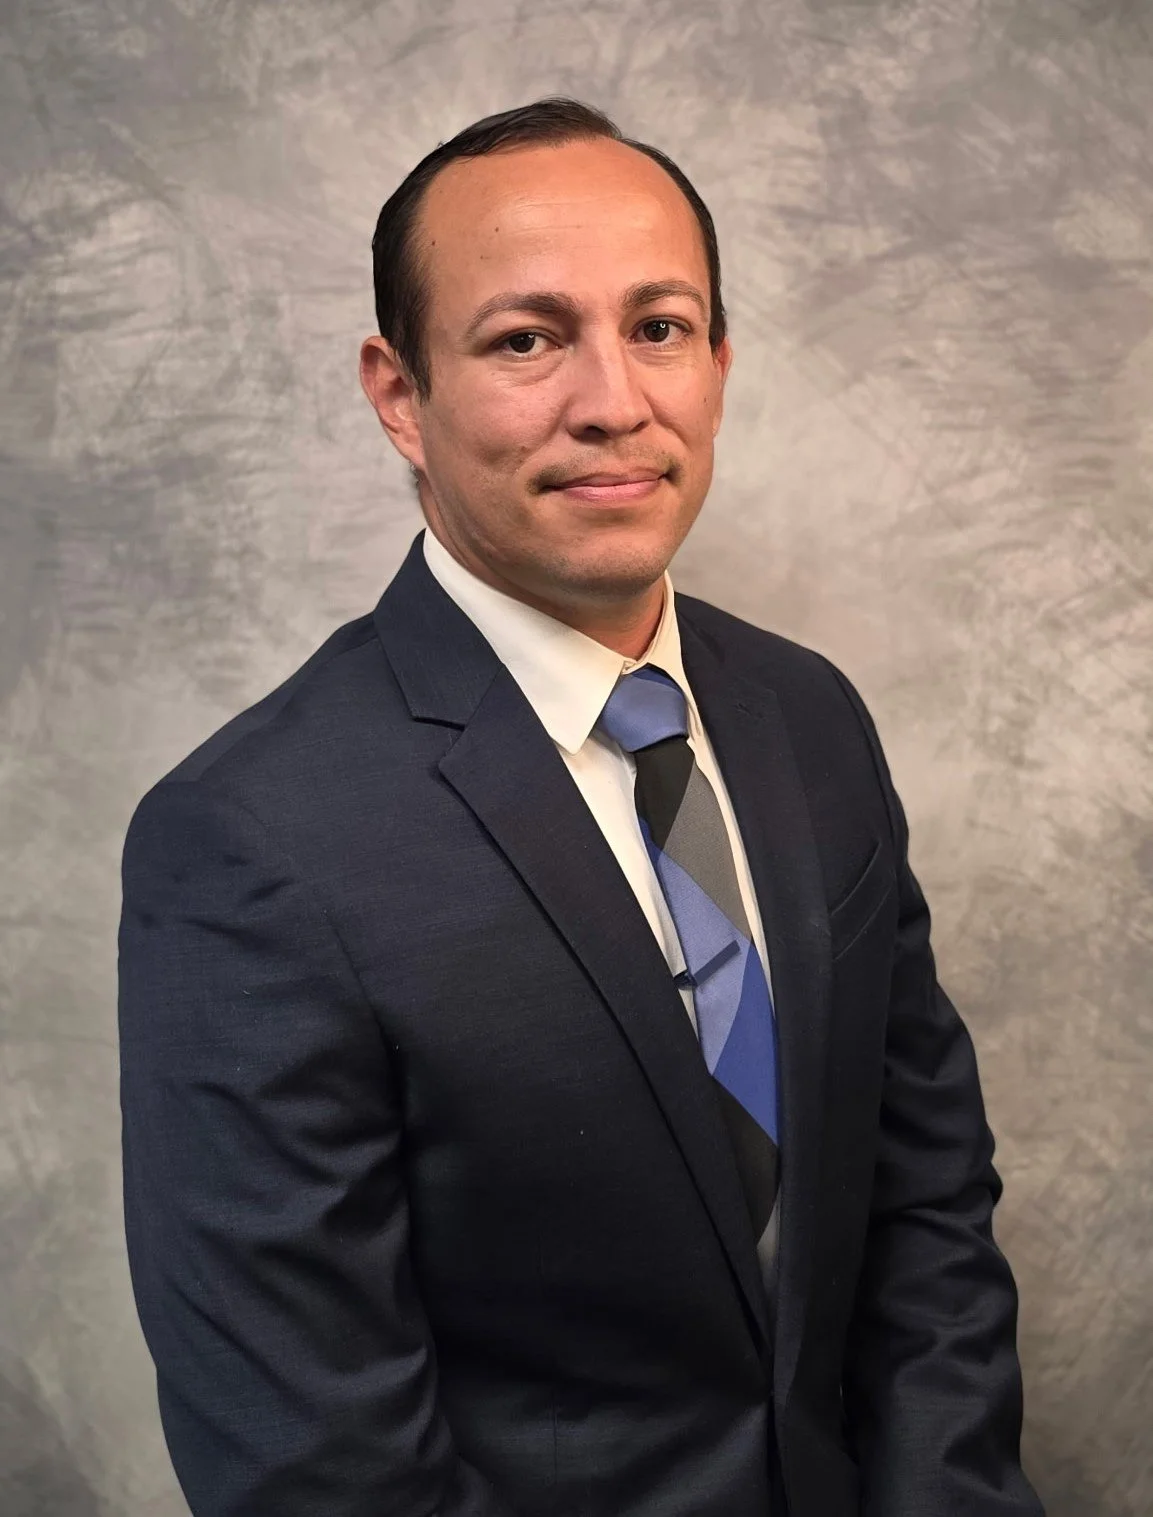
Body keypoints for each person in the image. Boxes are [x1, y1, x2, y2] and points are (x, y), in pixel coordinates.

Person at [117, 97, 1045, 1517]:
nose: (615, 400)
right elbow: (317, 1462)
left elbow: (925, 1215)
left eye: (661, 326)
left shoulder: (812, 719)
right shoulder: (252, 845)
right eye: (526, 339)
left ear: (720, 362)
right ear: (397, 392)